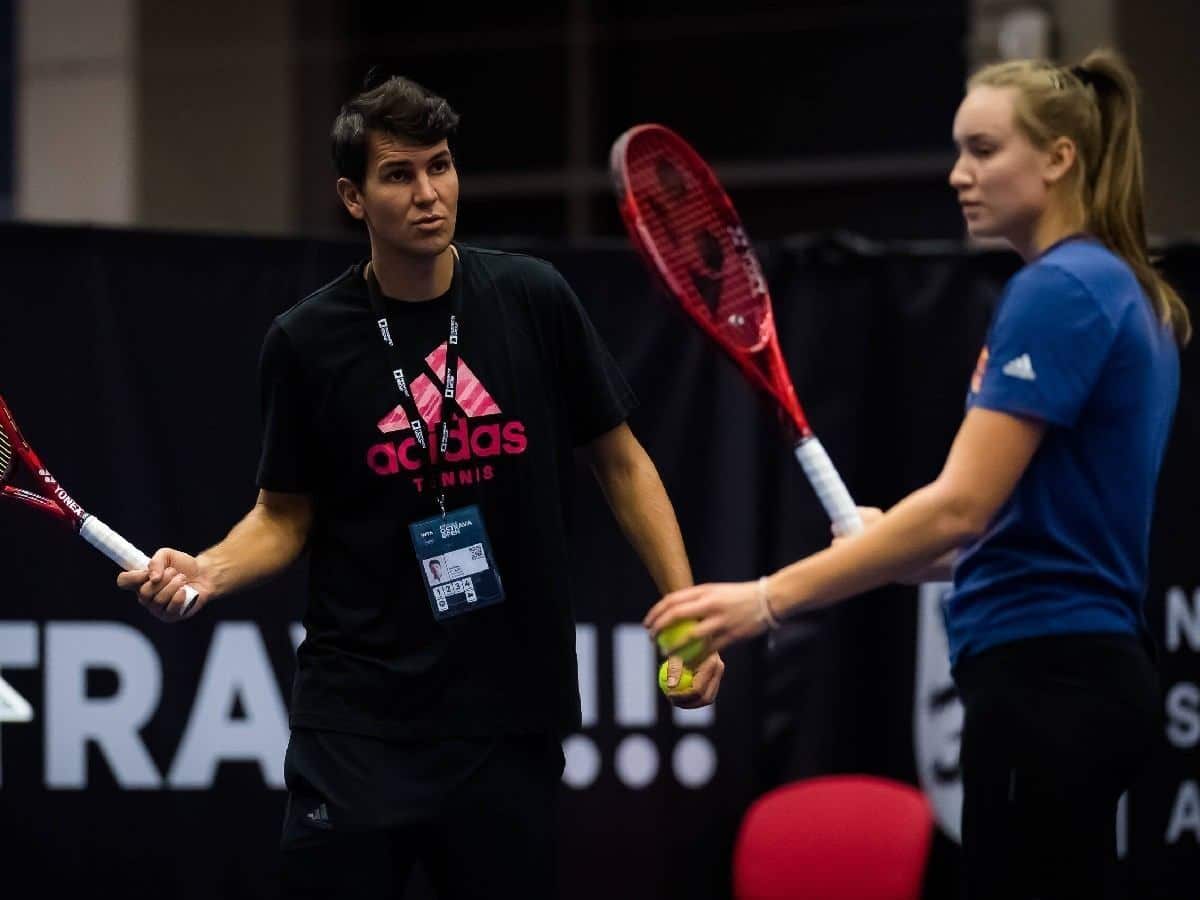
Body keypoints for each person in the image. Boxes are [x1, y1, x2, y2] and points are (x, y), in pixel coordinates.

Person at [117, 72, 724, 899]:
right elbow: (283, 516)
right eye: (399, 175)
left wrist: (688, 620)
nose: (429, 193)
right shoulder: (306, 343)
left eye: (440, 166)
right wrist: (208, 569)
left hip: (509, 716)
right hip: (357, 723)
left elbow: (623, 464)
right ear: (354, 197)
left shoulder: (531, 299)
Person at [645, 48, 1188, 900]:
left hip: (1046, 684)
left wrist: (766, 596)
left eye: (983, 149)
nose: (957, 174)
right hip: (1074, 680)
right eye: (958, 150)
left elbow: (961, 510)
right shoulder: (1119, 289)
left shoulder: (1063, 290)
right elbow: (1016, 530)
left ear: (1058, 158)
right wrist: (894, 541)